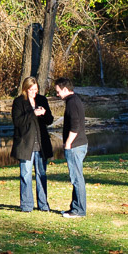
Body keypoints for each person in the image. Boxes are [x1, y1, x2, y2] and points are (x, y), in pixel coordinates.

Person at [11, 76, 53, 213]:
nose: (34, 92)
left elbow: (49, 120)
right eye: (31, 90)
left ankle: (43, 205)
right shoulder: (18, 102)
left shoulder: (42, 100)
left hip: (41, 144)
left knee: (42, 174)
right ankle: (27, 205)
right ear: (25, 89)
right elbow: (17, 122)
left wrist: (44, 113)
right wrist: (33, 113)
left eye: (36, 89)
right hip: (25, 144)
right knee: (25, 174)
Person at [53, 77, 88, 218]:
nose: (57, 94)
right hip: (79, 144)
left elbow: (75, 126)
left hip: (76, 145)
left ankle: (79, 210)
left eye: (58, 91)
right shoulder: (74, 100)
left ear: (65, 89)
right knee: (76, 177)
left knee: (76, 178)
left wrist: (68, 143)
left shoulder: (72, 103)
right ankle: (75, 208)